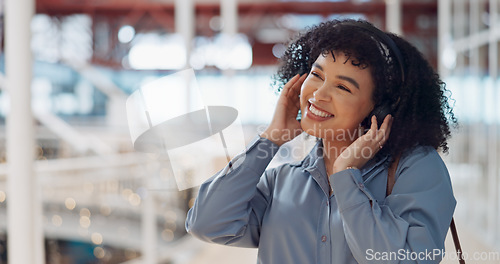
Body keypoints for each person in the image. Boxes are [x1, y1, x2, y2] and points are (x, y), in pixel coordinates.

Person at [185, 19, 457, 264]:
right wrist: (270, 139)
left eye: (343, 87)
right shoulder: (283, 180)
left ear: (380, 110)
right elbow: (206, 224)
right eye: (317, 75)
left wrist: (346, 177)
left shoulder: (417, 169)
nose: (319, 94)